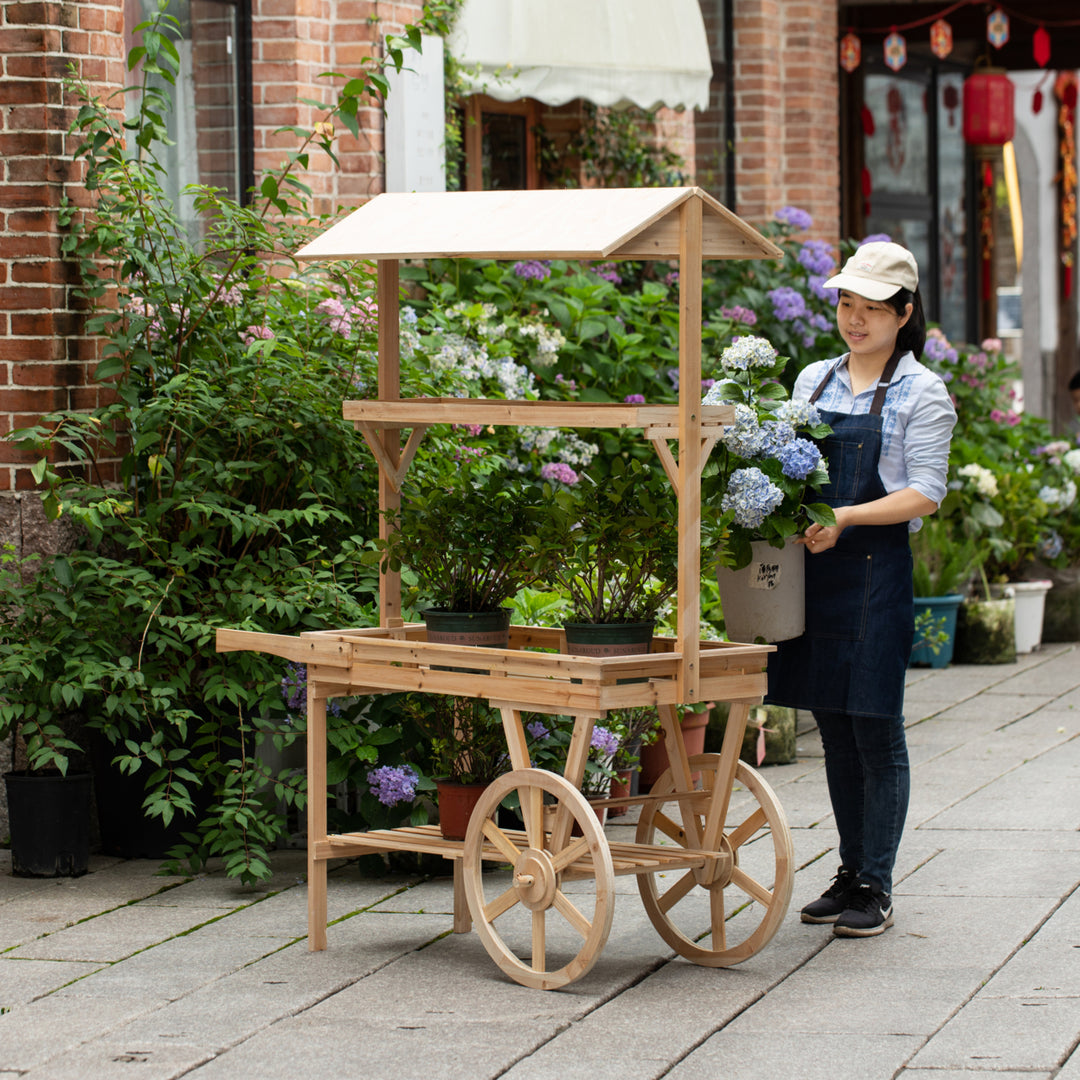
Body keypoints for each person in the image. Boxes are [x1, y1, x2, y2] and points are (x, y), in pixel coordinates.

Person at [766, 241, 957, 937]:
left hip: (874, 574)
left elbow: (925, 494)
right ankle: (849, 872)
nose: (855, 319)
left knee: (875, 726)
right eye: (847, 304)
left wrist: (845, 517)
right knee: (834, 727)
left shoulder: (920, 393)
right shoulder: (813, 380)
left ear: (904, 315)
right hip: (813, 572)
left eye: (872, 309)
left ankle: (876, 881)